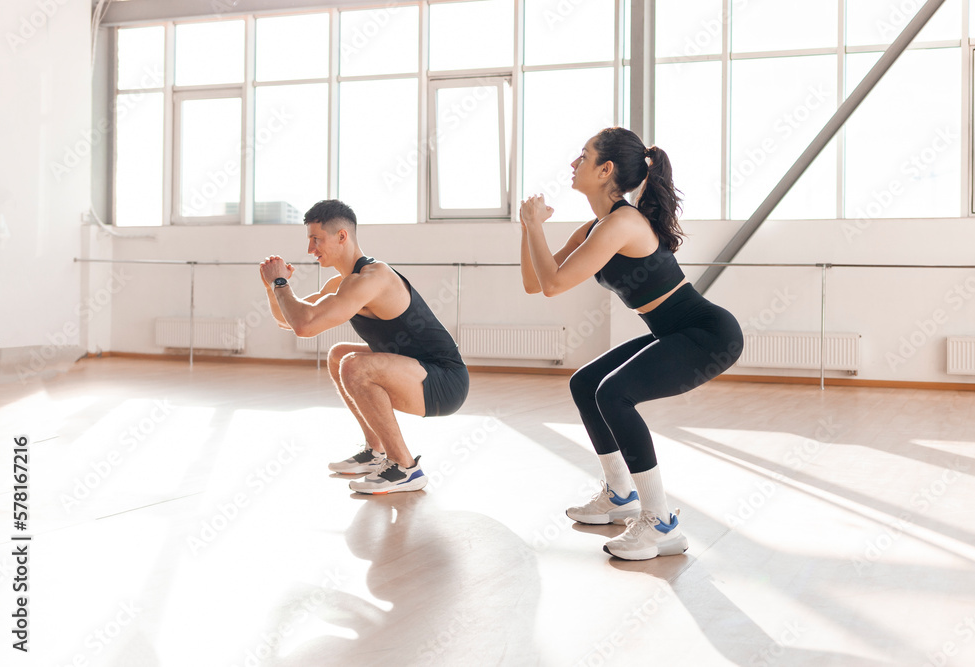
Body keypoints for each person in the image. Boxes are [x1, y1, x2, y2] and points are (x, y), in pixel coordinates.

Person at [519, 127, 743, 560]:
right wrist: (528, 230)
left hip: (708, 335)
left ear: (605, 170)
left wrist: (533, 227)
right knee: (586, 383)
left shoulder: (623, 222)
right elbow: (535, 282)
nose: (573, 163)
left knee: (614, 393)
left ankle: (660, 523)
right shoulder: (597, 226)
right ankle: (620, 495)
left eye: (582, 157)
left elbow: (552, 284)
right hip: (672, 332)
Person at [260, 199, 469, 494]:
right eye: (309, 240)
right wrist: (273, 288)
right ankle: (376, 452)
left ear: (342, 236)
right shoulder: (341, 283)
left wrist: (281, 282)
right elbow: (290, 320)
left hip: (444, 381)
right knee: (339, 355)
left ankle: (405, 468)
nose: (310, 249)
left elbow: (305, 326)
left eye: (316, 239)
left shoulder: (374, 277)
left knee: (354, 365)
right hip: (415, 371)